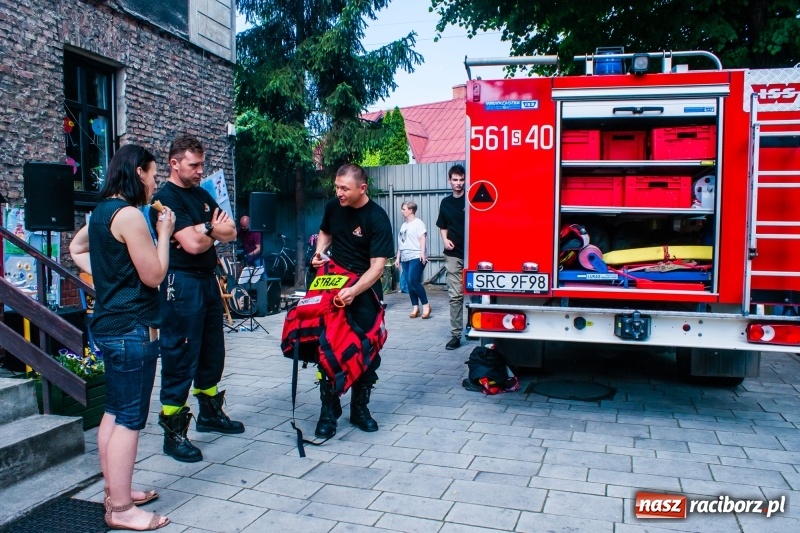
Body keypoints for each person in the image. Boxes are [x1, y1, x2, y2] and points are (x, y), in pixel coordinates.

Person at [69, 144, 173, 530]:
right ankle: (123, 509)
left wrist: (108, 276)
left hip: (110, 328)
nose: (154, 182)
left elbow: (77, 248)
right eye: (153, 174)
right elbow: (155, 275)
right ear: (138, 172)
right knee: (130, 418)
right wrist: (163, 233)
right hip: (133, 330)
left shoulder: (100, 212)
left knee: (113, 411)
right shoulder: (129, 215)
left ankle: (116, 493)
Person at [149, 134, 244, 463]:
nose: (200, 170)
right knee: (180, 352)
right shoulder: (164, 199)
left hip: (207, 280)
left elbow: (230, 231)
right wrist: (209, 230)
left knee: (211, 351)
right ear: (174, 164)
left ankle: (210, 414)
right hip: (181, 282)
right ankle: (173, 434)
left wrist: (205, 230)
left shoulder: (203, 194)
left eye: (202, 164)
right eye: (194, 165)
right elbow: (190, 246)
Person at [310, 163, 393, 438]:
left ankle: (359, 409)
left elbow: (378, 267)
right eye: (337, 186)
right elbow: (325, 231)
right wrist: (320, 252)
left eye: (344, 188)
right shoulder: (334, 207)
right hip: (333, 288)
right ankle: (328, 411)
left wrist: (354, 290)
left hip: (364, 292)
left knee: (367, 353)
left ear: (362, 188)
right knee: (327, 351)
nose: (339, 192)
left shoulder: (377, 218)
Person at [436, 164, 466, 350]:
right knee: (455, 296)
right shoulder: (446, 203)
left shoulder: (472, 199)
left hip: (475, 253)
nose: (458, 183)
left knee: (481, 295)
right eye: (455, 180)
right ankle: (456, 334)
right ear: (449, 180)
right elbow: (443, 226)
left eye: (461, 179)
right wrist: (445, 240)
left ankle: (479, 329)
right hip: (453, 254)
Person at [396, 201, 430, 319]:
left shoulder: (418, 223)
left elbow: (422, 238)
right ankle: (415, 307)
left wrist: (422, 254)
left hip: (416, 256)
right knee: (409, 283)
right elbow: (401, 242)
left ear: (410, 210)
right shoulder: (403, 225)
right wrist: (398, 257)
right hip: (405, 257)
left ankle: (426, 305)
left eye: (403, 209)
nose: (402, 211)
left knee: (413, 280)